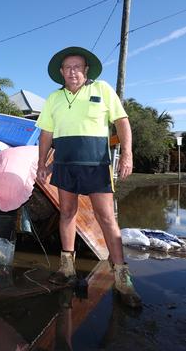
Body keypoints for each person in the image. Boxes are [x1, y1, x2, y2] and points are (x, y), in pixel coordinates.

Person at [35, 46, 141, 308]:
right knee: (67, 213)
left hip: (96, 164)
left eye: (77, 67)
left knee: (106, 217)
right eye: (67, 67)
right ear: (61, 72)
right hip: (64, 164)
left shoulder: (102, 89)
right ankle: (67, 268)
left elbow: (122, 121)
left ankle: (122, 278)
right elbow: (46, 134)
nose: (72, 71)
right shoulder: (53, 99)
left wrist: (126, 155)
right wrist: (41, 163)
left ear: (86, 70)